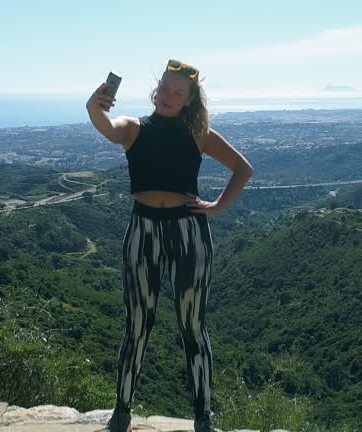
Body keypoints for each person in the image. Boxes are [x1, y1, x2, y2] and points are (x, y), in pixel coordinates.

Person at [86, 59, 254, 432]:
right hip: (143, 229)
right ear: (155, 89)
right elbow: (109, 128)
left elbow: (243, 169)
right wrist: (94, 108)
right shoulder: (134, 128)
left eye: (178, 92)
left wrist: (217, 206)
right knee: (137, 325)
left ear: (189, 100)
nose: (168, 95)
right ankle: (122, 413)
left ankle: (203, 418)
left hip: (189, 232)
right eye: (164, 87)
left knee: (193, 327)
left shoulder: (199, 134)